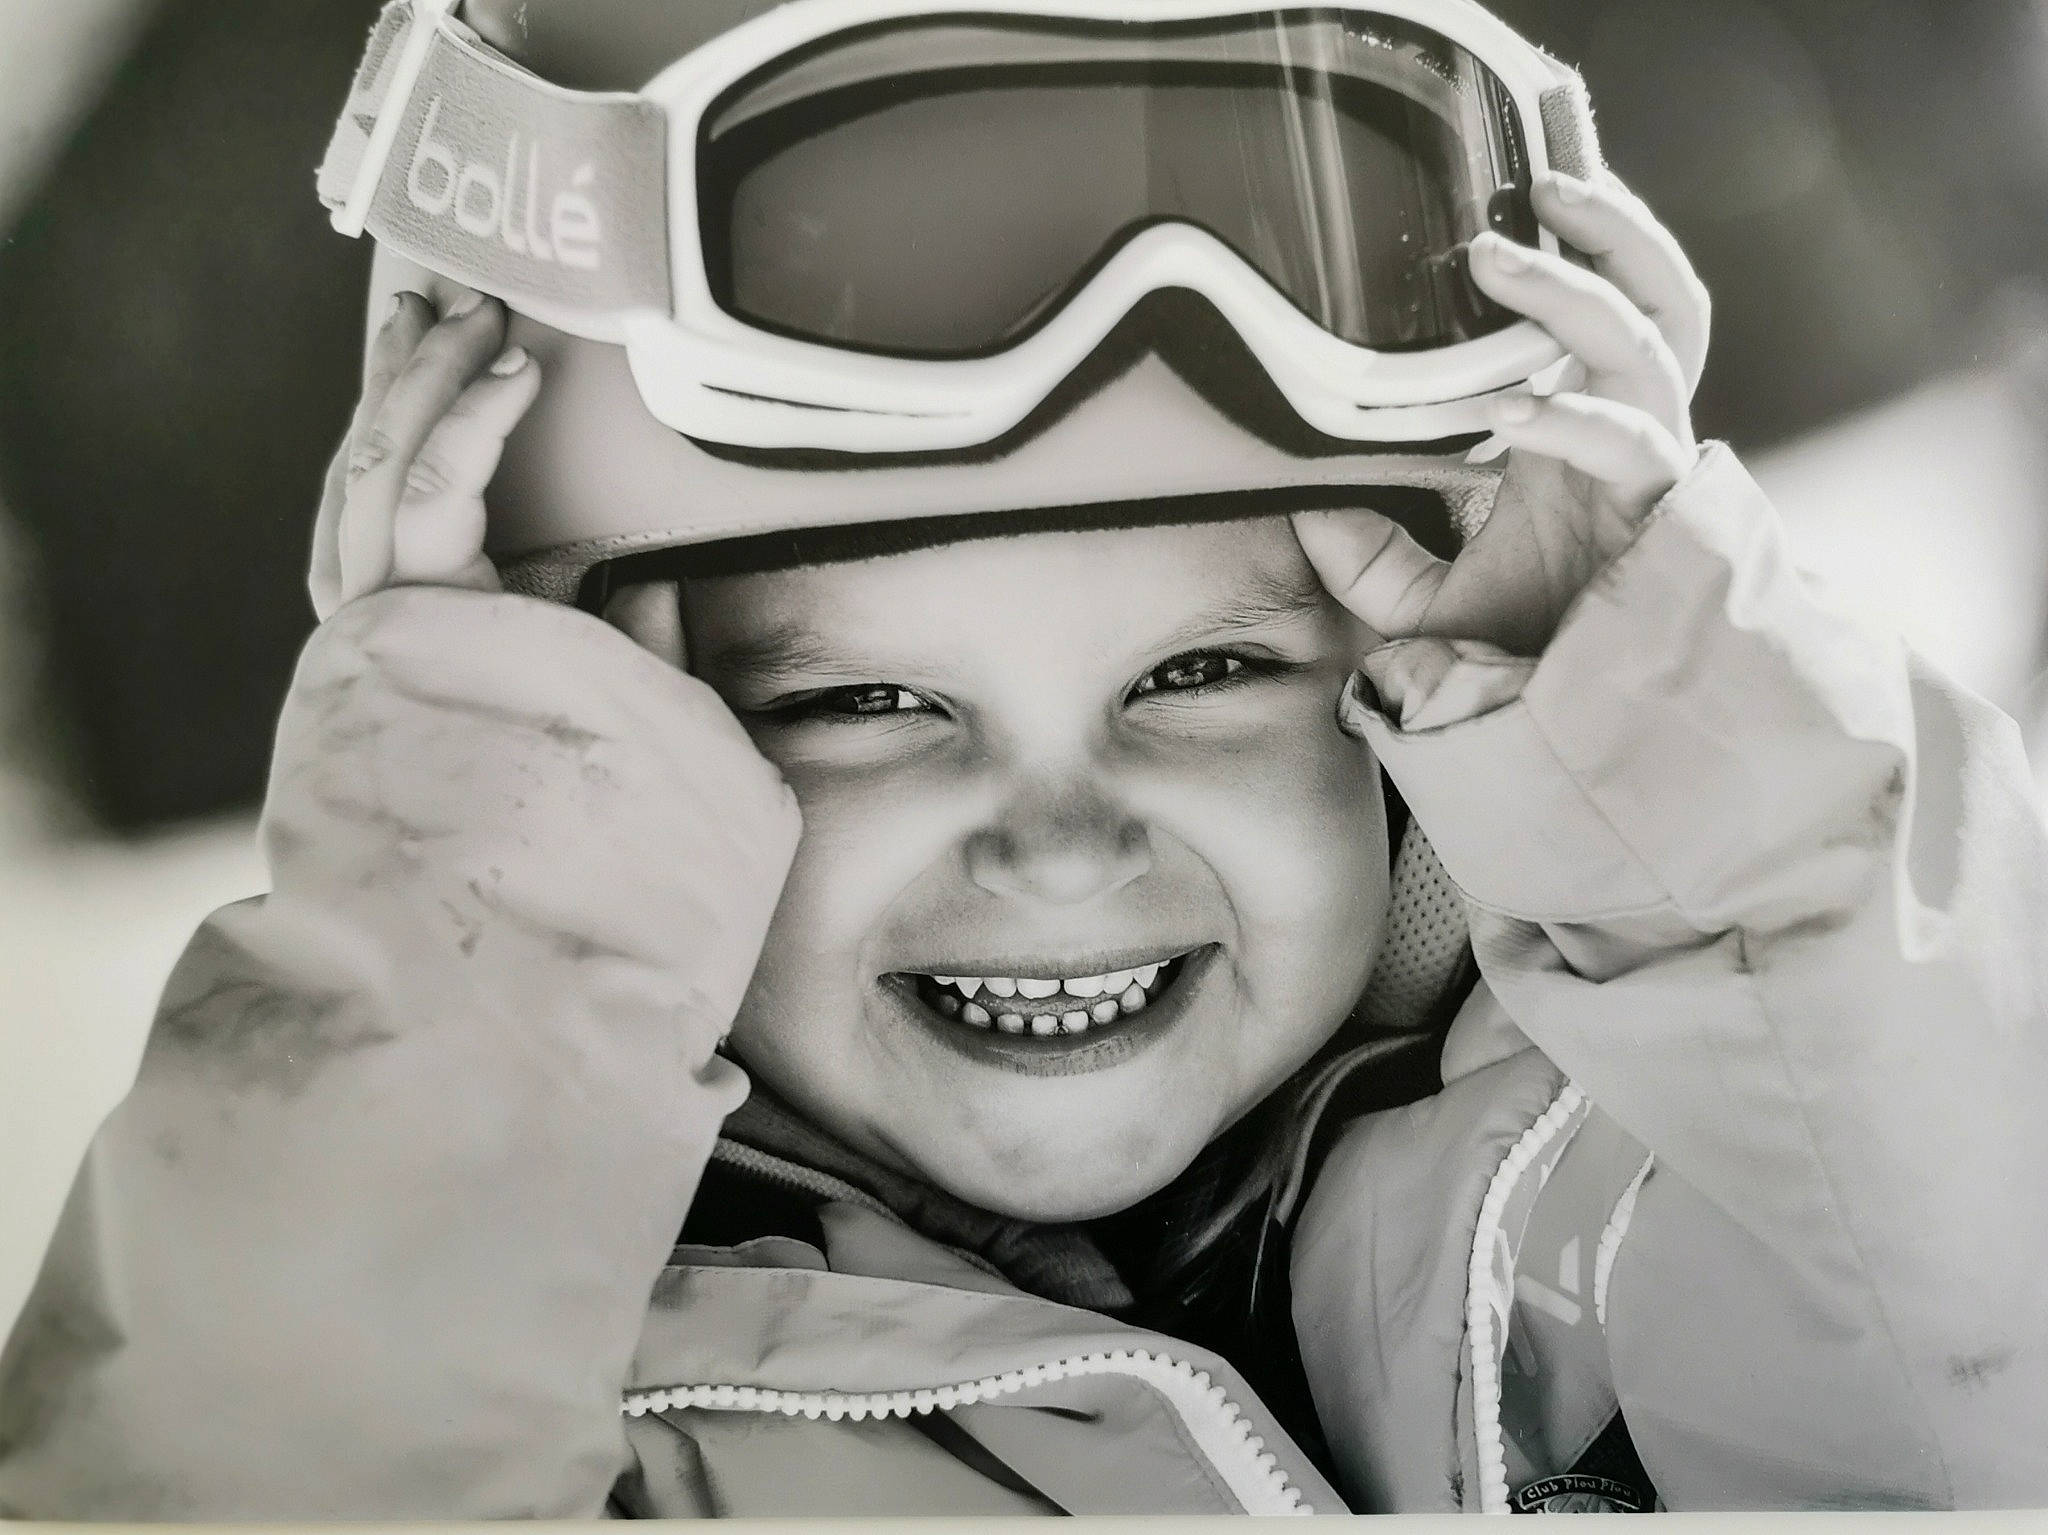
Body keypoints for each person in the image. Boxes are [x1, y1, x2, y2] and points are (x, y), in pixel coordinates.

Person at [3, 0, 2045, 1516]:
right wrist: (473, 909)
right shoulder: (539, 1418)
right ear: (608, 749)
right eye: (863, 705)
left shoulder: (1655, 1215)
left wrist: (1683, 741)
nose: (1061, 841)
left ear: (1406, 710)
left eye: (1204, 675)